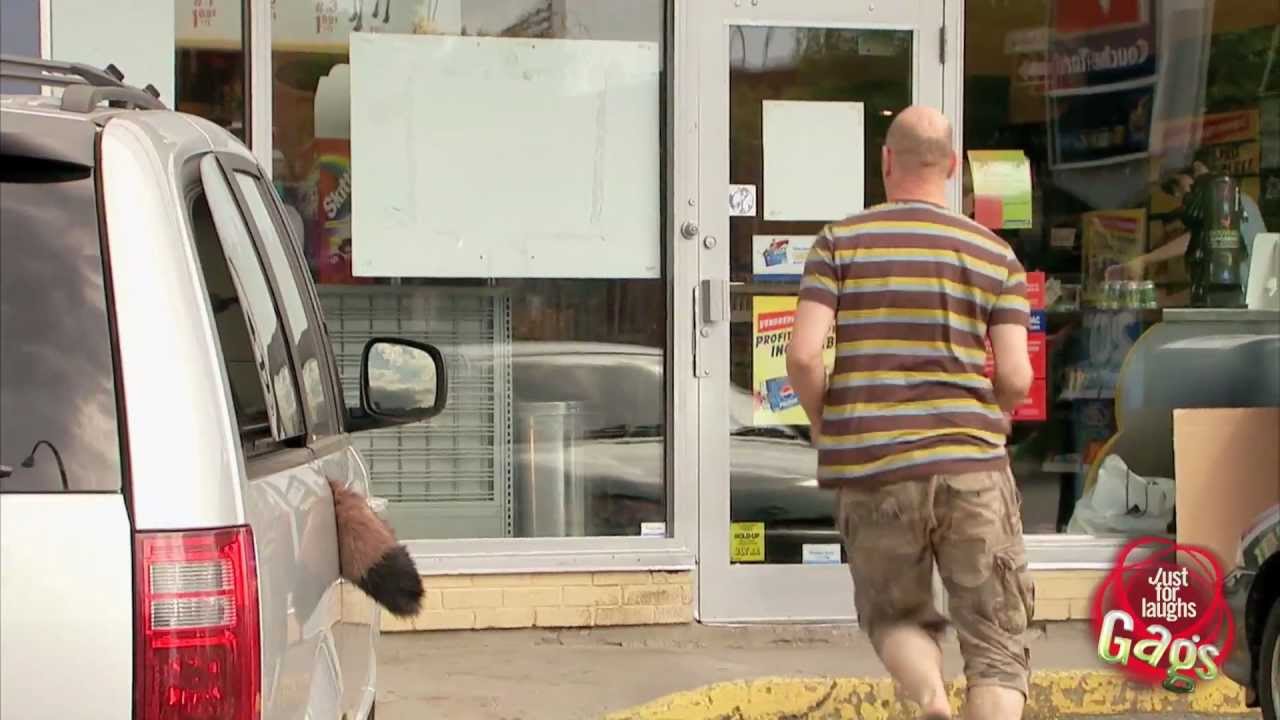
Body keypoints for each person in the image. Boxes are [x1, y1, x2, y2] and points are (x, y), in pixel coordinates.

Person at [785, 106, 1035, 720]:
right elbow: (1014, 375)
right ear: (952, 167)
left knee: (894, 615)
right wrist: (995, 417)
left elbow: (802, 355)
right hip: (972, 469)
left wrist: (825, 422)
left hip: (874, 467)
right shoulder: (995, 254)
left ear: (886, 162)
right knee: (998, 646)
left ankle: (930, 700)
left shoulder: (838, 243)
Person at [1107, 161, 1267, 290]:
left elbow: (1195, 239)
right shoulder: (1237, 200)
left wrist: (1144, 260)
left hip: (1244, 294)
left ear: (1199, 170)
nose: (1177, 194)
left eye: (1176, 184)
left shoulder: (1227, 202)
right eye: (1171, 191)